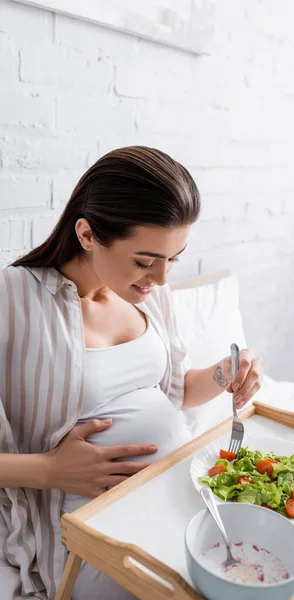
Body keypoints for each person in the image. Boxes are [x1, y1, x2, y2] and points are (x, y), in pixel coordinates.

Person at [0, 147, 263, 600]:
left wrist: (225, 374)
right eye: (145, 261)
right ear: (86, 234)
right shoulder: (14, 298)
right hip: (94, 526)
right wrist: (49, 470)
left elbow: (175, 392)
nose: (161, 278)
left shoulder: (145, 295)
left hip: (189, 493)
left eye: (173, 259)